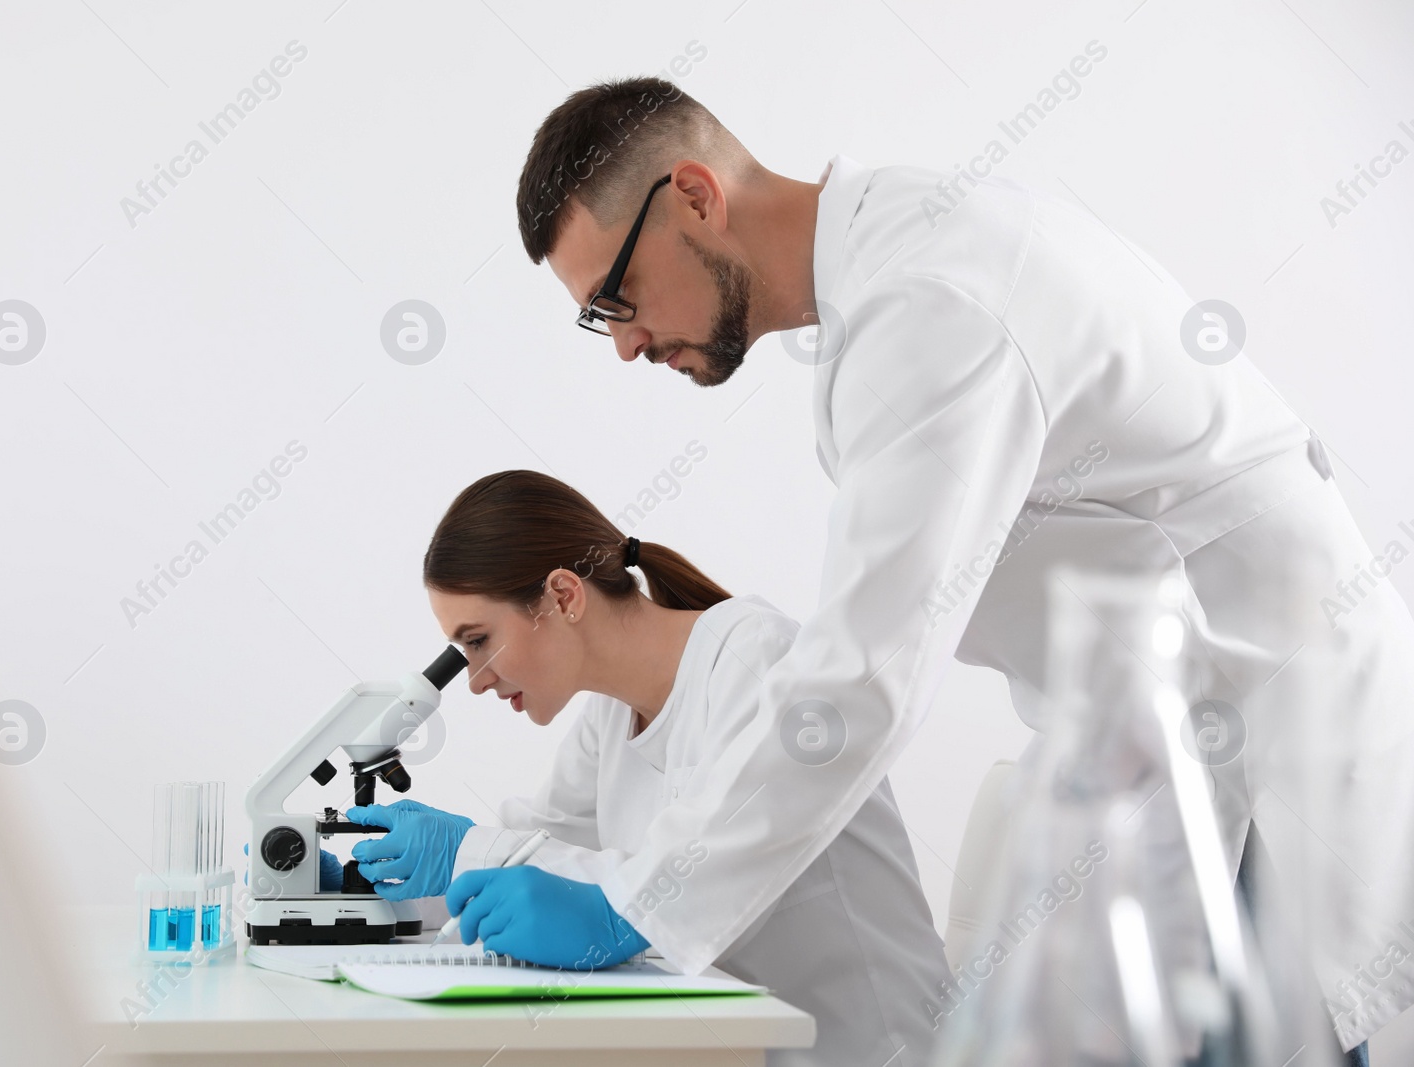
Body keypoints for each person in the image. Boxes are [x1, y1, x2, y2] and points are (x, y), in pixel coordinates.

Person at [456, 77, 1408, 1062]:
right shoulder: (893, 280)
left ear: (693, 195)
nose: (623, 343)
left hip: (1260, 764)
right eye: (594, 320)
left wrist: (637, 905)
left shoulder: (930, 303)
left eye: (616, 296)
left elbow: (863, 677)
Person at [347, 469, 950, 1067]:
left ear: (563, 596)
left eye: (478, 641)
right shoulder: (612, 715)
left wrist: (465, 852)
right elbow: (544, 848)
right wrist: (373, 891)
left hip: (868, 1047)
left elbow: (701, 866)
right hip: (744, 1045)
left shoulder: (756, 659)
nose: (475, 680)